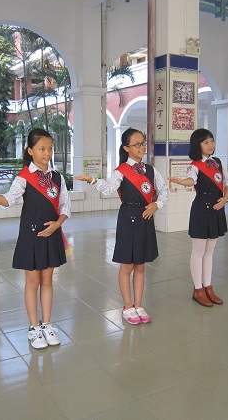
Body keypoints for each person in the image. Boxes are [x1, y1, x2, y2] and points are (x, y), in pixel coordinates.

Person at [0, 128, 69, 349]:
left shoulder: (57, 177)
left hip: (51, 234)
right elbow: (8, 200)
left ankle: (47, 324)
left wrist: (58, 224)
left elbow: (65, 205)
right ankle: (34, 328)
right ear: (30, 151)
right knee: (33, 282)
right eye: (42, 149)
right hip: (31, 235)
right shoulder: (23, 177)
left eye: (50, 148)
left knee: (48, 280)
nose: (47, 153)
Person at [74, 128, 168, 325]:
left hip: (146, 218)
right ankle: (127, 306)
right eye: (137, 144)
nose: (142, 147)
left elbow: (164, 190)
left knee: (140, 265)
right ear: (126, 148)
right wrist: (93, 180)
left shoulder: (151, 170)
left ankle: (139, 305)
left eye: (143, 143)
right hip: (128, 218)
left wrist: (156, 205)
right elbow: (109, 189)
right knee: (127, 266)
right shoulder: (121, 171)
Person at [168, 128, 228, 306]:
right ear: (198, 145)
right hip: (202, 208)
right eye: (205, 142)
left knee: (210, 252)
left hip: (217, 207)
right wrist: (181, 181)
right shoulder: (194, 165)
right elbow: (191, 180)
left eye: (212, 140)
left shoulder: (218, 162)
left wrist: (225, 199)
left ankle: (208, 286)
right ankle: (198, 289)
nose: (210, 145)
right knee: (198, 251)